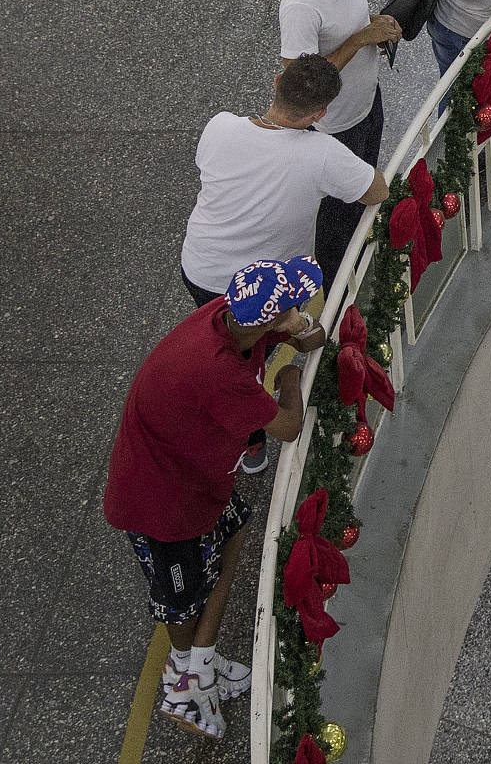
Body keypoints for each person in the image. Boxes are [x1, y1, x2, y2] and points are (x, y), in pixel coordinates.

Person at [104, 256, 328, 740]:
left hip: (196, 481)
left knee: (236, 526)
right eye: (294, 304)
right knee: (181, 602)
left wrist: (301, 329)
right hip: (160, 502)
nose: (303, 306)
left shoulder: (233, 317)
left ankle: (197, 664)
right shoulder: (216, 370)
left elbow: (312, 335)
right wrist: (290, 379)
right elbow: (287, 426)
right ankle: (184, 688)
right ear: (267, 318)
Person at [178, 56, 389, 310]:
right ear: (320, 114)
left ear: (277, 82)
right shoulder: (322, 153)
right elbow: (377, 190)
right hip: (260, 290)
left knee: (218, 339)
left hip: (199, 271)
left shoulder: (220, 125)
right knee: (256, 346)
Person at [278, 0, 402, 278]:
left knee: (360, 195)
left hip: (366, 107)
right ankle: (336, 282)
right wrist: (360, 39)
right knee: (337, 214)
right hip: (336, 127)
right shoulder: (302, 5)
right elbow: (299, 82)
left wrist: (374, 26)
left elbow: (350, 25)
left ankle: (360, 251)